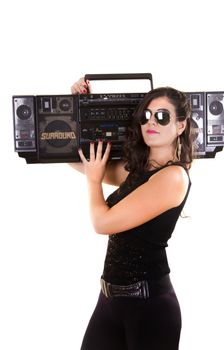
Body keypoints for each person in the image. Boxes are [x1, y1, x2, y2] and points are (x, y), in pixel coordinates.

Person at [70, 77, 192, 350]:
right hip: (109, 301)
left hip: (150, 310)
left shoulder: (173, 177)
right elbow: (81, 160)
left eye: (162, 117)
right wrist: (77, 108)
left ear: (180, 125)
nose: (151, 122)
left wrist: (93, 182)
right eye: (146, 116)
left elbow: (102, 222)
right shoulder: (137, 169)